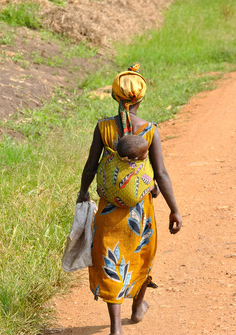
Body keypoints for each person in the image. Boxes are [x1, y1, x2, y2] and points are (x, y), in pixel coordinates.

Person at [76, 63, 182, 335]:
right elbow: (161, 174)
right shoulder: (149, 130)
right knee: (140, 255)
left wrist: (83, 192)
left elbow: (90, 166)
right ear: (141, 98)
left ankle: (115, 328)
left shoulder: (103, 128)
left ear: (114, 97)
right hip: (140, 211)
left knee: (111, 259)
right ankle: (138, 307)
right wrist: (174, 210)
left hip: (109, 209)